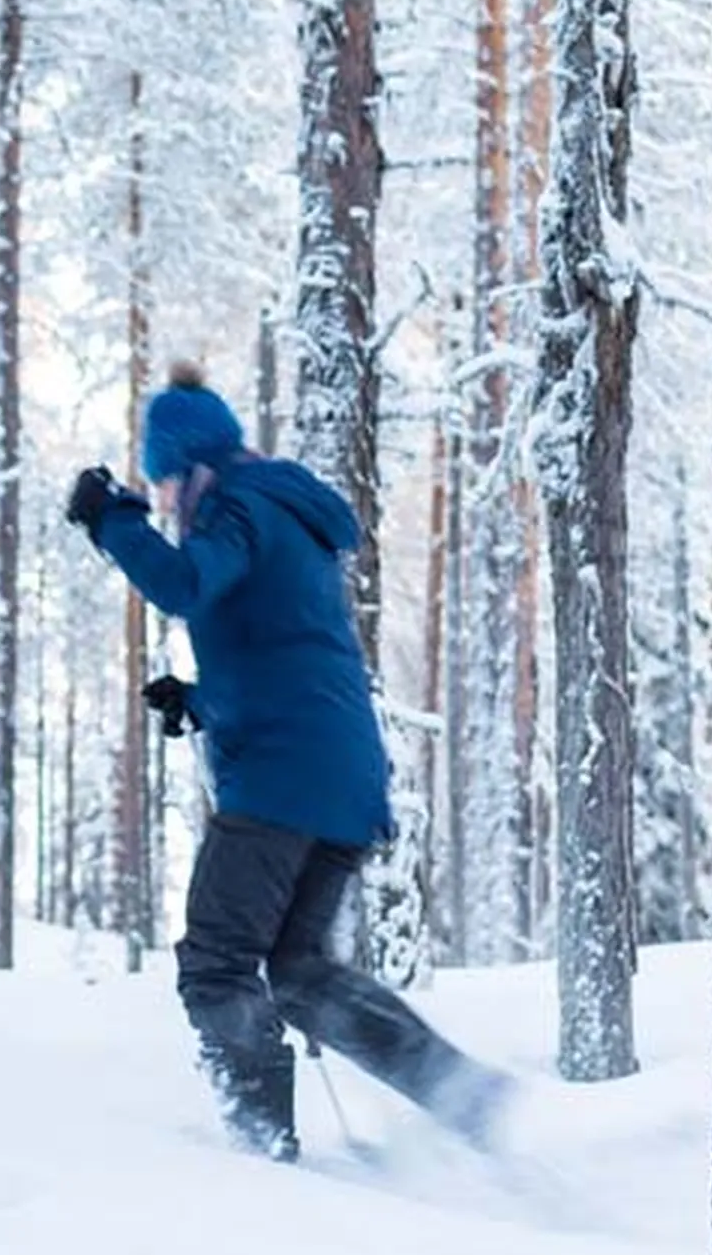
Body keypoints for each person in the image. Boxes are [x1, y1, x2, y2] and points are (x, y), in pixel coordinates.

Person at [67, 364, 513, 1162]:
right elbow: (287, 654)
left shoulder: (236, 507)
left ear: (195, 466)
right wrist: (201, 701)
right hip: (339, 773)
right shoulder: (282, 514)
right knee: (299, 972)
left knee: (215, 962)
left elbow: (185, 585)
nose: (165, 502)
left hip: (281, 780)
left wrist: (113, 520)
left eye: (165, 482)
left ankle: (261, 1148)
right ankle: (456, 1089)